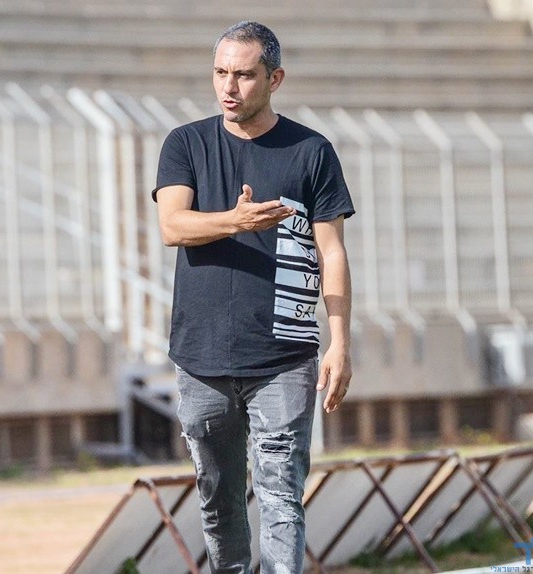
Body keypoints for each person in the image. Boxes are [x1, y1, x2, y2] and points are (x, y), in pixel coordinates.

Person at [153, 20, 354, 574]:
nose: (229, 87)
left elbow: (332, 251)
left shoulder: (311, 151)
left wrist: (340, 342)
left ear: (274, 79)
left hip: (284, 357)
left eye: (243, 75)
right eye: (220, 72)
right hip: (201, 356)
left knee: (281, 494)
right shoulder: (185, 144)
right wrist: (235, 221)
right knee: (219, 503)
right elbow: (172, 226)